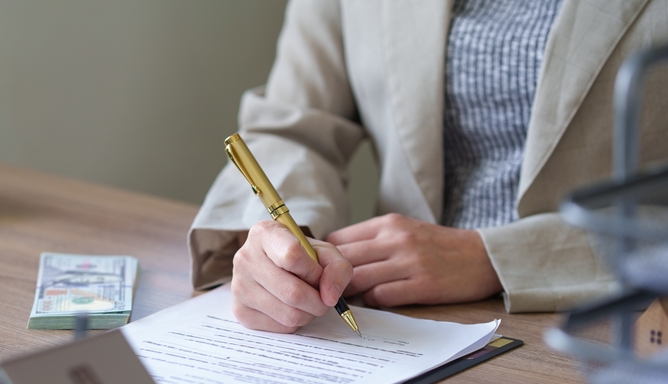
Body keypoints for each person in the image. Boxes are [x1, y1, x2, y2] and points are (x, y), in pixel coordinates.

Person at [189, 0, 668, 333]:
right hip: (406, 325)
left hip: (621, 329)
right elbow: (294, 130)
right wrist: (287, 249)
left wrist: (498, 257)